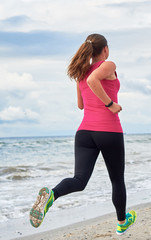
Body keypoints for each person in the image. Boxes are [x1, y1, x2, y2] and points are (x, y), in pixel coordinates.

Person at [29, 33, 136, 235]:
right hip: (108, 130)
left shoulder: (81, 72)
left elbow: (81, 105)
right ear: (105, 49)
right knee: (117, 180)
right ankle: (122, 222)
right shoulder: (109, 65)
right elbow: (96, 79)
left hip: (85, 132)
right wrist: (110, 104)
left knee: (79, 180)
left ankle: (52, 194)